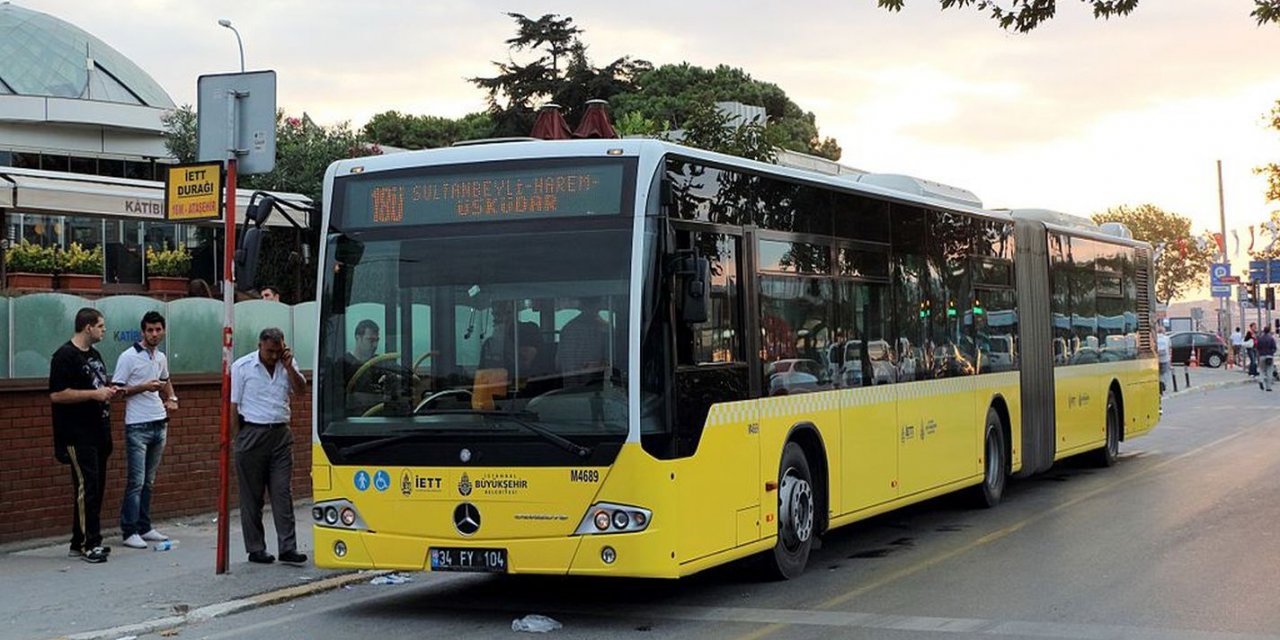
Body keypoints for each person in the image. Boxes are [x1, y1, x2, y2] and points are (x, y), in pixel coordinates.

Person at [231, 327, 308, 565]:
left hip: (280, 435)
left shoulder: (288, 365)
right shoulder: (242, 367)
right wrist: (238, 439)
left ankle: (288, 547)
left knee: (282, 492)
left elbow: (302, 391)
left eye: (278, 351)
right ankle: (256, 548)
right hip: (252, 432)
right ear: (260, 346)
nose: (274, 356)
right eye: (270, 351)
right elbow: (233, 406)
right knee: (252, 497)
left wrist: (288, 366)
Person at [49, 308, 120, 563]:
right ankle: (91, 543)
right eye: (100, 326)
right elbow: (57, 394)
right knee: (86, 486)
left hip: (99, 431)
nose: (103, 330)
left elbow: (96, 386)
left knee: (96, 487)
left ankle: (78, 541)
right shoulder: (64, 356)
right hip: (77, 434)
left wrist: (106, 391)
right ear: (87, 327)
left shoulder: (95, 354)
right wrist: (93, 395)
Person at [112, 311, 178, 549]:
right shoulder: (128, 357)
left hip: (159, 422)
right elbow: (117, 391)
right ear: (143, 332)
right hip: (137, 426)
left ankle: (145, 526)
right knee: (136, 481)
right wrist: (143, 387)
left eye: (158, 329)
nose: (154, 334)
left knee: (149, 481)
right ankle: (129, 530)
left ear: (163, 331)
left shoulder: (160, 357)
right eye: (149, 330)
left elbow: (165, 379)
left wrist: (171, 397)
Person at [557, 297, 610, 378]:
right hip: (579, 380)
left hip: (604, 379)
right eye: (591, 303)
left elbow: (611, 357)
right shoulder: (571, 329)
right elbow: (567, 363)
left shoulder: (606, 328)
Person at [1257, 326, 1276, 392]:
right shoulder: (1271, 338)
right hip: (1269, 356)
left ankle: (1261, 380)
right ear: (1269, 331)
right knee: (1269, 371)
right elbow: (1274, 347)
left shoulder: (1260, 338)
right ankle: (1268, 387)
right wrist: (1272, 352)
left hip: (1262, 356)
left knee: (1262, 370)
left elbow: (1258, 347)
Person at [1156, 324, 1171, 394]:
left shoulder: (1155, 338)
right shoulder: (1167, 338)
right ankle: (1162, 384)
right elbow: (1169, 348)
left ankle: (1159, 385)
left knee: (1158, 373)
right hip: (1165, 359)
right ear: (1163, 331)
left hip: (1157, 360)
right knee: (1164, 373)